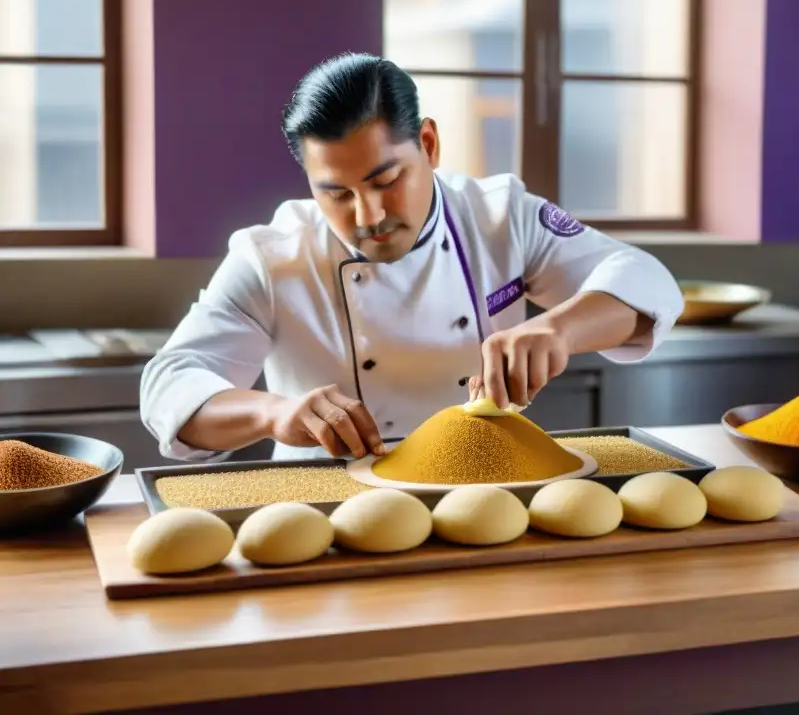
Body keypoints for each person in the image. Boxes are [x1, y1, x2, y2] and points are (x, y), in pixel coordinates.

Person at [140, 53, 683, 462]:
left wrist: (560, 330)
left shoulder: (501, 217)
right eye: (337, 193)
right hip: (325, 516)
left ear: (428, 144)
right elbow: (170, 384)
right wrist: (271, 411)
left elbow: (647, 282)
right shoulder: (272, 257)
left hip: (487, 490)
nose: (369, 214)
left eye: (387, 179)